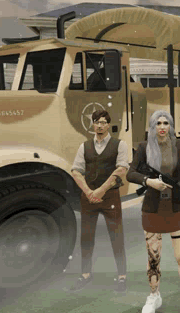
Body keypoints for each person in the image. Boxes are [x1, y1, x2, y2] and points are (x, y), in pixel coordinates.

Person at [127, 110, 180, 313]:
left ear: (171, 126)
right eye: (157, 123)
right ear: (152, 126)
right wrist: (148, 181)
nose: (161, 127)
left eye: (165, 123)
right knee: (153, 257)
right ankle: (154, 296)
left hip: (176, 207)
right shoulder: (143, 147)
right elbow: (130, 173)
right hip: (152, 208)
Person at [66, 109, 128, 293]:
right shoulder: (84, 146)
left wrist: (100, 190)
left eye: (103, 122)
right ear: (92, 124)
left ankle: (122, 276)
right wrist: (88, 192)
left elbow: (122, 169)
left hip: (110, 197)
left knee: (116, 236)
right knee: (86, 237)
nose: (99, 126)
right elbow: (76, 170)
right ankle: (85, 274)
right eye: (96, 122)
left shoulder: (120, 144)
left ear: (108, 124)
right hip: (89, 198)